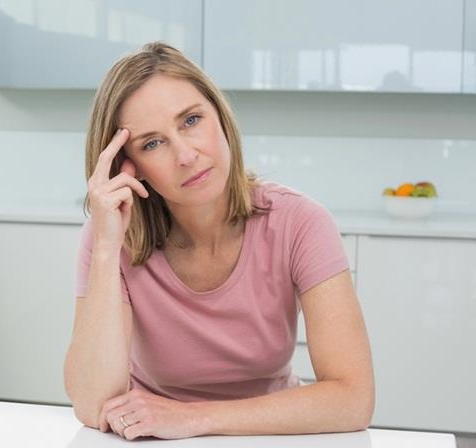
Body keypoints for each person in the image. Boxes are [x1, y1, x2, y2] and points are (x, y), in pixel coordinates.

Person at [64, 42, 374, 440]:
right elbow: (92, 404)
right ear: (130, 167)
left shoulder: (300, 222)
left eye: (191, 120)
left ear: (221, 116)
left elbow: (353, 398)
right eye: (152, 144)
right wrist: (107, 249)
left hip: (273, 434)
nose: (185, 155)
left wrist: (193, 419)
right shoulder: (112, 237)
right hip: (153, 438)